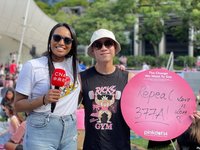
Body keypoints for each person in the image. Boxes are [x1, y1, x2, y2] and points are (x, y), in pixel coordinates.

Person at [14, 23, 81, 150]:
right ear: (50, 40)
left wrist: (119, 68)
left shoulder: (74, 65)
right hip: (41, 130)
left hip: (70, 130)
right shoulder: (33, 66)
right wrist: (43, 99)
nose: (61, 42)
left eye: (67, 40)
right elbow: (17, 106)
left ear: (72, 45)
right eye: (57, 38)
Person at [80, 29, 134, 150]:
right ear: (93, 51)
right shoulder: (82, 78)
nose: (103, 48)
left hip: (121, 146)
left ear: (114, 48)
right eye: (98, 45)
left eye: (108, 43)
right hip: (92, 146)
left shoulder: (129, 78)